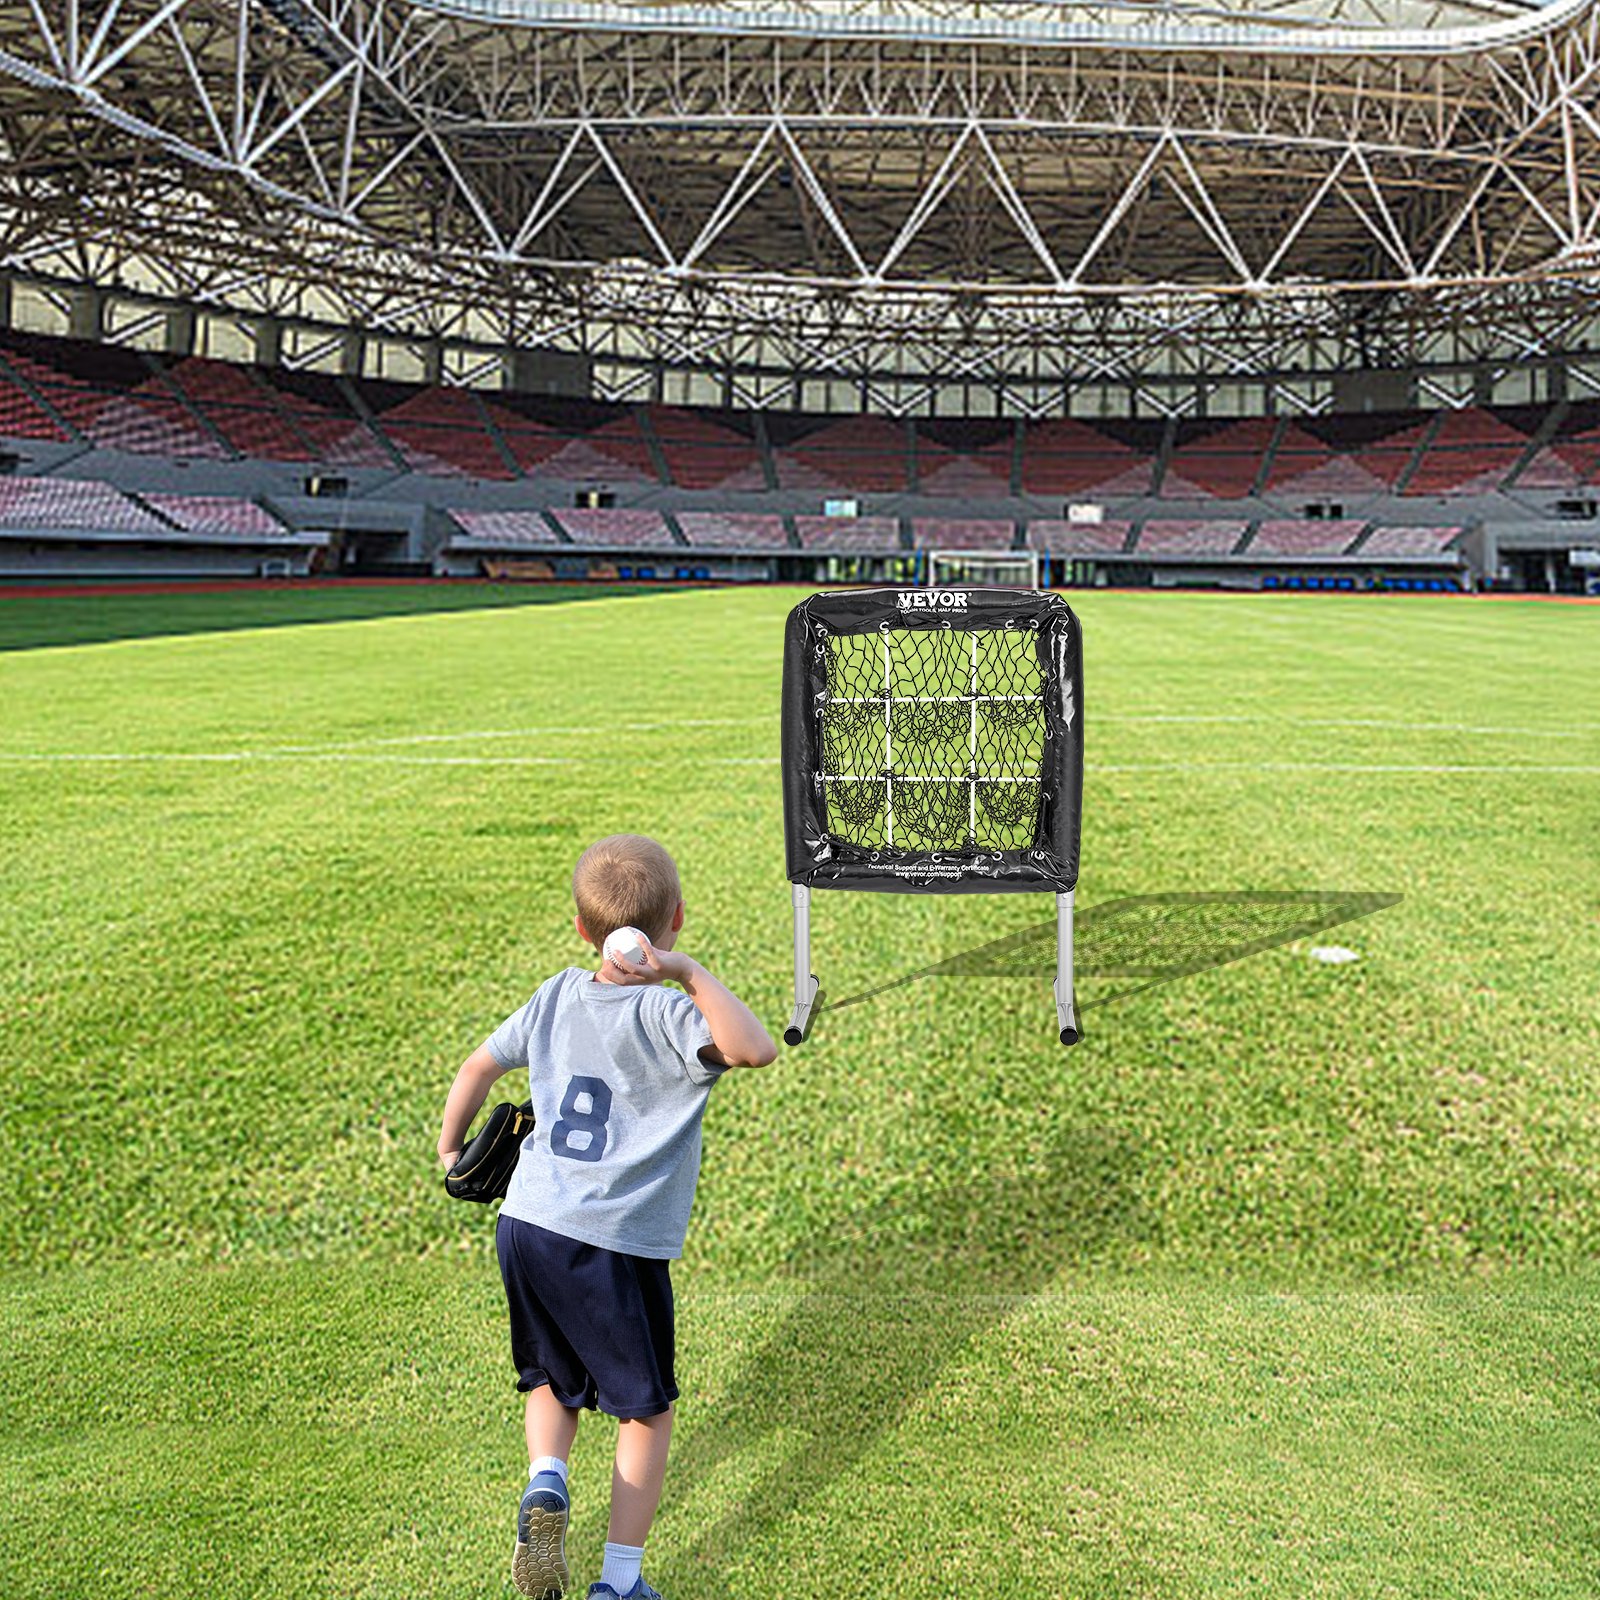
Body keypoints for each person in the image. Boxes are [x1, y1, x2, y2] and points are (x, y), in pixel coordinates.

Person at [437, 834, 778, 1600]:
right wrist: (688, 975)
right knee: (643, 1412)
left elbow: (477, 1066)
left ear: (583, 929)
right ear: (677, 921)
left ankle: (546, 1480)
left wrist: (450, 1144)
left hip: (526, 1223)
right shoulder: (667, 1016)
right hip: (613, 1246)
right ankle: (619, 1582)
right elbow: (754, 1049)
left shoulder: (556, 992)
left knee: (553, 1380)